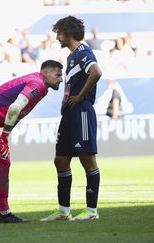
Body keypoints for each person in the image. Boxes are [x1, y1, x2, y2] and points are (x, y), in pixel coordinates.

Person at [0, 59, 63, 223]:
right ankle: (5, 213)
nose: (61, 79)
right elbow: (14, 108)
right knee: (3, 162)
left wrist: (5, 133)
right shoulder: (38, 84)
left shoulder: (41, 87)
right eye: (58, 75)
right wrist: (5, 136)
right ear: (46, 73)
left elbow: (18, 111)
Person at [41, 15, 102, 222]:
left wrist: (80, 95)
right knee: (61, 159)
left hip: (82, 110)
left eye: (59, 32)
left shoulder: (83, 52)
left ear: (67, 33)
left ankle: (91, 211)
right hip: (69, 113)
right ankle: (63, 210)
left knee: (87, 159)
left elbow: (96, 72)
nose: (57, 37)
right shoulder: (71, 56)